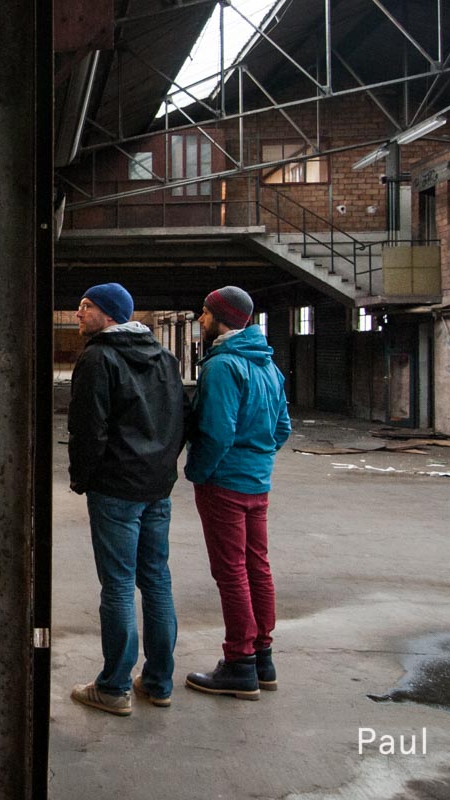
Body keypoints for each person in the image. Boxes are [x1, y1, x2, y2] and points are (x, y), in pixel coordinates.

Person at [67, 281, 186, 716]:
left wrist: (84, 478)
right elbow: (180, 419)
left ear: (110, 314)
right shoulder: (164, 358)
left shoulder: (98, 358)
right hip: (157, 488)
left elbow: (88, 429)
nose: (78, 313)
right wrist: (164, 468)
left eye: (86, 306)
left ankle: (114, 687)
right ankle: (158, 682)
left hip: (116, 488)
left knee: (118, 586)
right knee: (156, 580)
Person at [183, 285, 291, 701]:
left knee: (231, 571)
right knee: (256, 566)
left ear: (221, 318)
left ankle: (239, 664)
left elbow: (216, 431)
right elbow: (282, 427)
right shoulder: (268, 365)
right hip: (257, 482)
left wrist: (200, 472)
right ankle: (263, 658)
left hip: (224, 482)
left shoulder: (223, 366)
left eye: (205, 314)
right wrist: (258, 459)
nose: (201, 320)